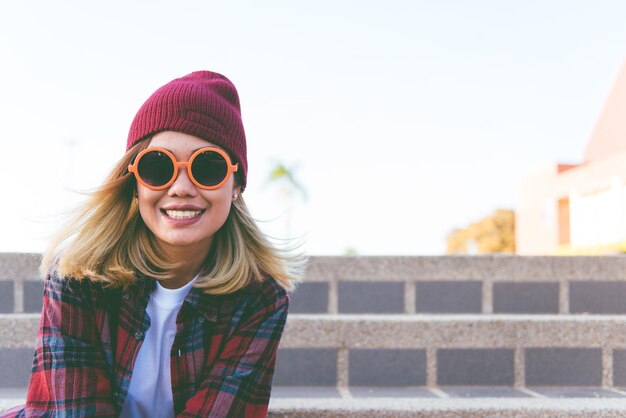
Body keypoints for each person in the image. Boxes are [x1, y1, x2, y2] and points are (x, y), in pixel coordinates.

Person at [1, 71, 305, 418]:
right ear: (134, 182)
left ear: (235, 185)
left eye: (207, 167)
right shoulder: (76, 274)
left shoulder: (261, 298)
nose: (181, 187)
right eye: (158, 166)